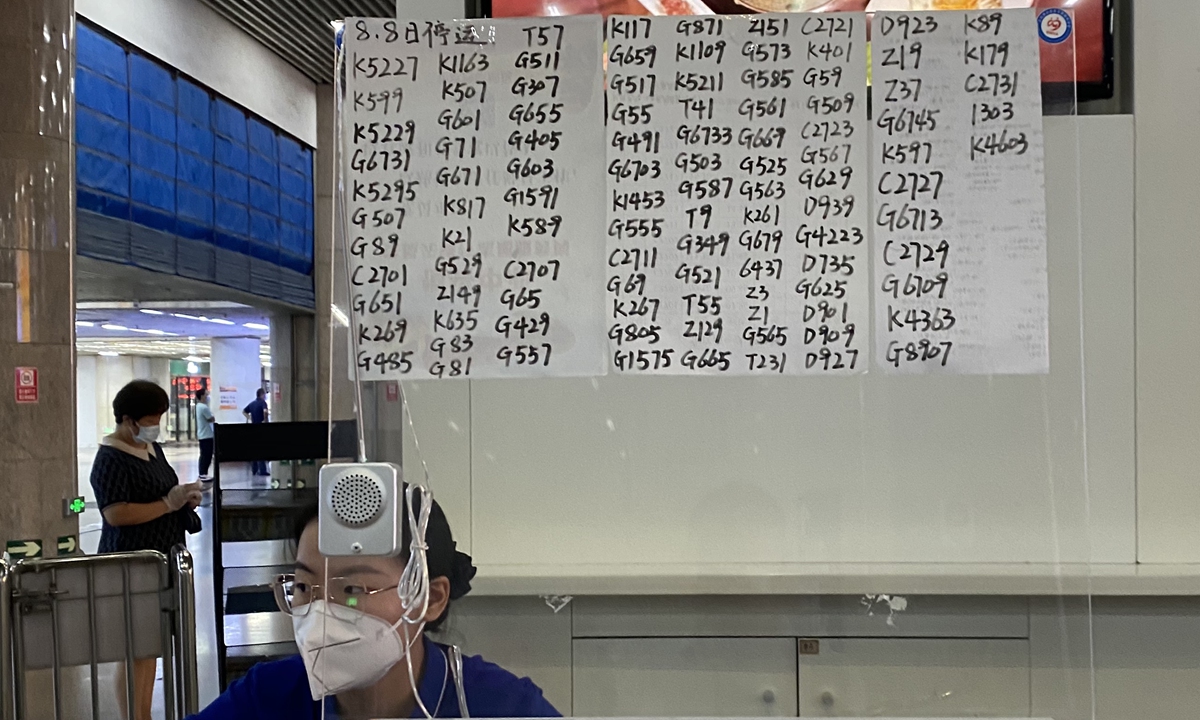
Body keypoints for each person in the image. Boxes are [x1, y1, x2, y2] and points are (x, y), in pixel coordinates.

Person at [188, 493, 559, 720]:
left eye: (353, 588)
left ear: (430, 598)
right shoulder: (268, 697)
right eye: (303, 586)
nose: (321, 610)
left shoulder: (500, 706)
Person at [90, 380, 204, 720]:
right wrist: (167, 505)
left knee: (150, 647)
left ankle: (144, 714)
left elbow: (164, 488)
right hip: (131, 562)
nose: (156, 425)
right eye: (151, 418)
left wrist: (183, 495)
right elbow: (117, 513)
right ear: (129, 420)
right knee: (133, 647)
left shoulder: (152, 450)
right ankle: (134, 716)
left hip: (161, 560)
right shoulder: (110, 458)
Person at [242, 387, 270, 476]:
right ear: (261, 394)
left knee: (255, 448)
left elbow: (244, 411)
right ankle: (262, 470)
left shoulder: (252, 403)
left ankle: (254, 469)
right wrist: (265, 421)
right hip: (261, 428)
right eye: (264, 394)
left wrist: (250, 418)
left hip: (253, 428)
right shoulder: (263, 403)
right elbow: (265, 412)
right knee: (261, 449)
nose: (265, 396)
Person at [196, 388, 215, 482]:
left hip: (203, 435)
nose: (208, 396)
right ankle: (203, 473)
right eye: (206, 394)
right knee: (206, 455)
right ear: (202, 396)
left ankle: (203, 473)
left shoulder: (199, 406)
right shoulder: (203, 407)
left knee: (204, 454)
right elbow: (211, 418)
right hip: (206, 435)